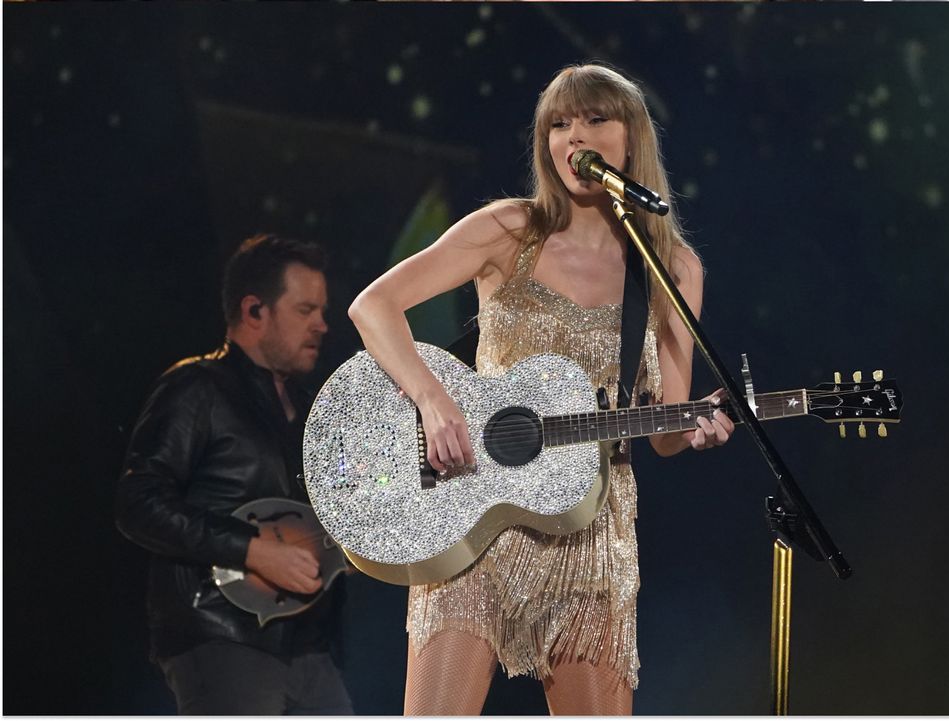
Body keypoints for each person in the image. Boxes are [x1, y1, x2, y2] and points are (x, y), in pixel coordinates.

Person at [348, 63, 735, 715]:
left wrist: (694, 428)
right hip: (478, 509)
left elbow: (665, 428)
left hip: (592, 532)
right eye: (557, 123)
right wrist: (434, 399)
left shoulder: (670, 267)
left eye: (592, 119)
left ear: (631, 139)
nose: (571, 136)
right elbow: (373, 306)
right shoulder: (509, 230)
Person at [116, 234, 352, 715]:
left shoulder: (312, 410)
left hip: (309, 645)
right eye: (306, 310)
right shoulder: (197, 388)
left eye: (322, 311)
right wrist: (253, 550)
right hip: (220, 634)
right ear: (253, 311)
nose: (322, 325)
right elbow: (137, 503)